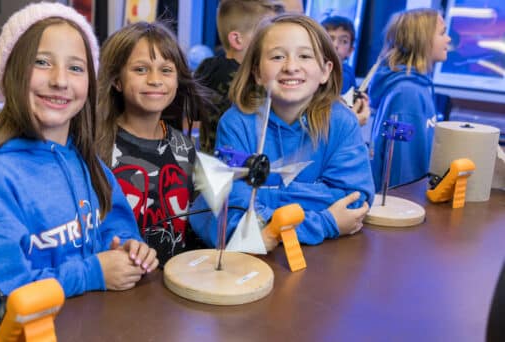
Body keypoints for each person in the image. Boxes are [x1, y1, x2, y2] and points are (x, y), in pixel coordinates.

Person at [0, 3, 157, 335]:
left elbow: (114, 232)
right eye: (42, 62)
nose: (60, 80)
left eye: (76, 68)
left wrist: (128, 250)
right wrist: (91, 273)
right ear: (12, 73)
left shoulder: (87, 164)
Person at [190, 14, 374, 249]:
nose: (291, 67)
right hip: (257, 263)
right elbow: (235, 215)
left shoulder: (342, 122)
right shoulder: (236, 124)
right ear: (257, 71)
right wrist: (327, 221)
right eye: (277, 56)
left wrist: (265, 200)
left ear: (326, 70)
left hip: (326, 258)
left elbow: (355, 202)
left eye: (305, 56)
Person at [97, 22, 213, 265]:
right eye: (140, 69)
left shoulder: (185, 147)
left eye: (166, 70)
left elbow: (194, 224)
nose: (155, 80)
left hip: (173, 284)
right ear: (117, 81)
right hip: (119, 286)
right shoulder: (97, 146)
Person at [368, 8, 450, 192]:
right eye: (442, 33)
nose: (448, 39)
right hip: (405, 204)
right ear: (421, 40)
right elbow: (402, 171)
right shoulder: (407, 94)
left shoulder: (419, 86)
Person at [194, 0, 285, 153]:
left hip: (209, 163)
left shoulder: (208, 68)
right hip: (239, 165)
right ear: (237, 40)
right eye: (267, 36)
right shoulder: (245, 79)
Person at [321, 15, 371, 127]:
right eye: (330, 38)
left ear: (350, 50)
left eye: (343, 41)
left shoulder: (346, 74)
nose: (335, 45)